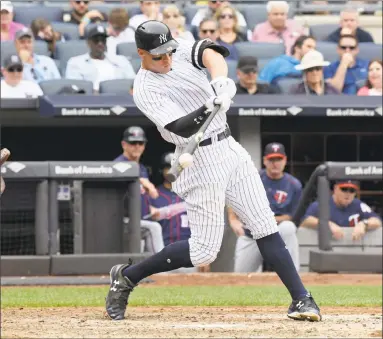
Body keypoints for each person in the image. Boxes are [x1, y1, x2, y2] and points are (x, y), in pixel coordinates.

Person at [104, 20, 322, 322]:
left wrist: (220, 81)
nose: (167, 59)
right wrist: (211, 105)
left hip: (229, 148)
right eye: (158, 56)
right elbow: (179, 126)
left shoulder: (175, 48)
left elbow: (211, 51)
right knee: (204, 252)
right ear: (141, 53)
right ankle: (128, 276)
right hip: (197, 158)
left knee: (264, 224)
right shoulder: (145, 89)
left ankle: (302, 299)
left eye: (168, 52)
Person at [229, 142, 301, 272]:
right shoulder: (252, 178)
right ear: (265, 161)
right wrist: (233, 219)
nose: (275, 163)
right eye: (271, 159)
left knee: (289, 227)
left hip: (278, 230)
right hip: (252, 233)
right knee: (241, 276)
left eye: (278, 159)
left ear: (285, 160)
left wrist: (269, 220)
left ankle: (292, 273)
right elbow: (232, 196)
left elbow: (292, 216)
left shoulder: (294, 185)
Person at [114, 126, 165, 254]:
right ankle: (163, 267)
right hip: (120, 220)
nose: (137, 146)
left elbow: (143, 195)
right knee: (154, 228)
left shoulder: (141, 167)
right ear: (124, 144)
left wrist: (150, 209)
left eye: (140, 143)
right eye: (132, 143)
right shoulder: (118, 164)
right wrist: (141, 180)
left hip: (139, 220)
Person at [300, 180, 382, 241]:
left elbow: (377, 220)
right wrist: (327, 224)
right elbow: (304, 221)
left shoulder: (358, 205)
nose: (348, 193)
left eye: (352, 190)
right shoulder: (321, 204)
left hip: (353, 250)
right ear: (335, 189)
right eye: (344, 189)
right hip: (327, 252)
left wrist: (364, 224)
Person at [65, 25, 136, 92]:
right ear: (88, 43)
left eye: (103, 40)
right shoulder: (76, 63)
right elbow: (75, 89)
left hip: (121, 98)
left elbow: (134, 84)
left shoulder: (121, 60)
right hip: (92, 102)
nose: (100, 43)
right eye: (96, 40)